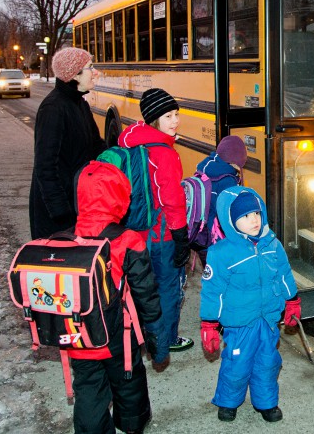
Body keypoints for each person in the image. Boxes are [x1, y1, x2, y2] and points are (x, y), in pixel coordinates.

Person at [69, 160, 162, 434]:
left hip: (79, 332)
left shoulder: (67, 238)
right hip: (118, 334)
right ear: (119, 196)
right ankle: (132, 427)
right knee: (128, 381)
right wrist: (155, 332)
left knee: (87, 387)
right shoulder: (127, 239)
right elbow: (145, 292)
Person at [199, 186, 301, 423]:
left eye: (256, 213)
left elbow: (284, 274)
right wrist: (209, 324)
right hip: (239, 323)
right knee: (236, 365)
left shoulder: (272, 244)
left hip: (267, 320)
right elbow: (212, 292)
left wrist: (292, 301)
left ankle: (266, 403)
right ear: (231, 221)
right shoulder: (221, 253)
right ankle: (228, 401)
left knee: (268, 363)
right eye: (245, 216)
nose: (254, 220)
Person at [116, 88, 193, 371]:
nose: (175, 121)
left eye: (176, 115)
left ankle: (140, 336)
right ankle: (166, 339)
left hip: (134, 234)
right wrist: (181, 235)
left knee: (140, 288)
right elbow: (172, 199)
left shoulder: (131, 142)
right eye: (168, 116)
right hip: (162, 235)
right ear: (153, 119)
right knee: (168, 288)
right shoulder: (164, 153)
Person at [29, 47, 106, 239]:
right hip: (56, 212)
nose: (95, 72)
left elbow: (96, 147)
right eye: (90, 67)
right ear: (75, 75)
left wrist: (126, 154)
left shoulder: (81, 104)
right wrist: (60, 210)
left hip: (76, 203)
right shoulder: (53, 108)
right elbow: (45, 165)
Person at [191, 134, 248, 265]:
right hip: (215, 241)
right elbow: (229, 215)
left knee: (211, 276)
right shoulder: (228, 181)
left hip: (200, 235)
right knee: (221, 277)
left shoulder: (205, 168)